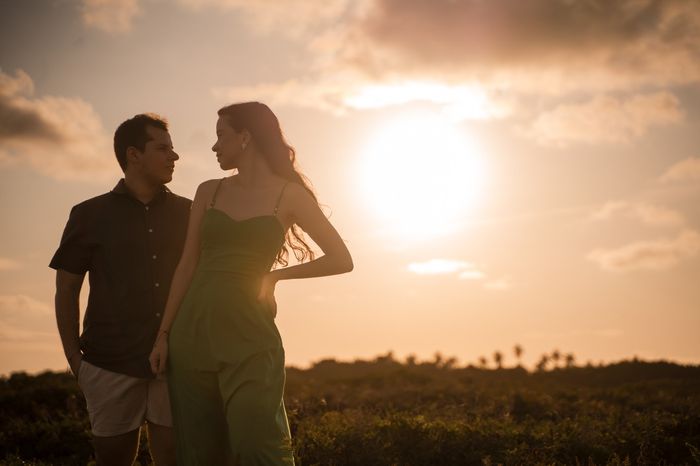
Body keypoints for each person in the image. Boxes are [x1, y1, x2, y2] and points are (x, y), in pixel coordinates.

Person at [148, 101, 353, 465]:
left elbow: (341, 259)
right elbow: (187, 264)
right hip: (192, 334)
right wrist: (164, 334)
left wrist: (275, 275)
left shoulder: (288, 195)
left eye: (220, 136)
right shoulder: (208, 190)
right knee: (201, 451)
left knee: (259, 445)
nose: (214, 147)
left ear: (246, 137)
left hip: (250, 336)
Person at [50, 114, 190, 466]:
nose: (174, 157)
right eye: (163, 148)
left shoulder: (190, 213)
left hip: (176, 364)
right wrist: (75, 362)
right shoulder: (87, 214)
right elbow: (66, 289)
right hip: (107, 363)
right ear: (133, 154)